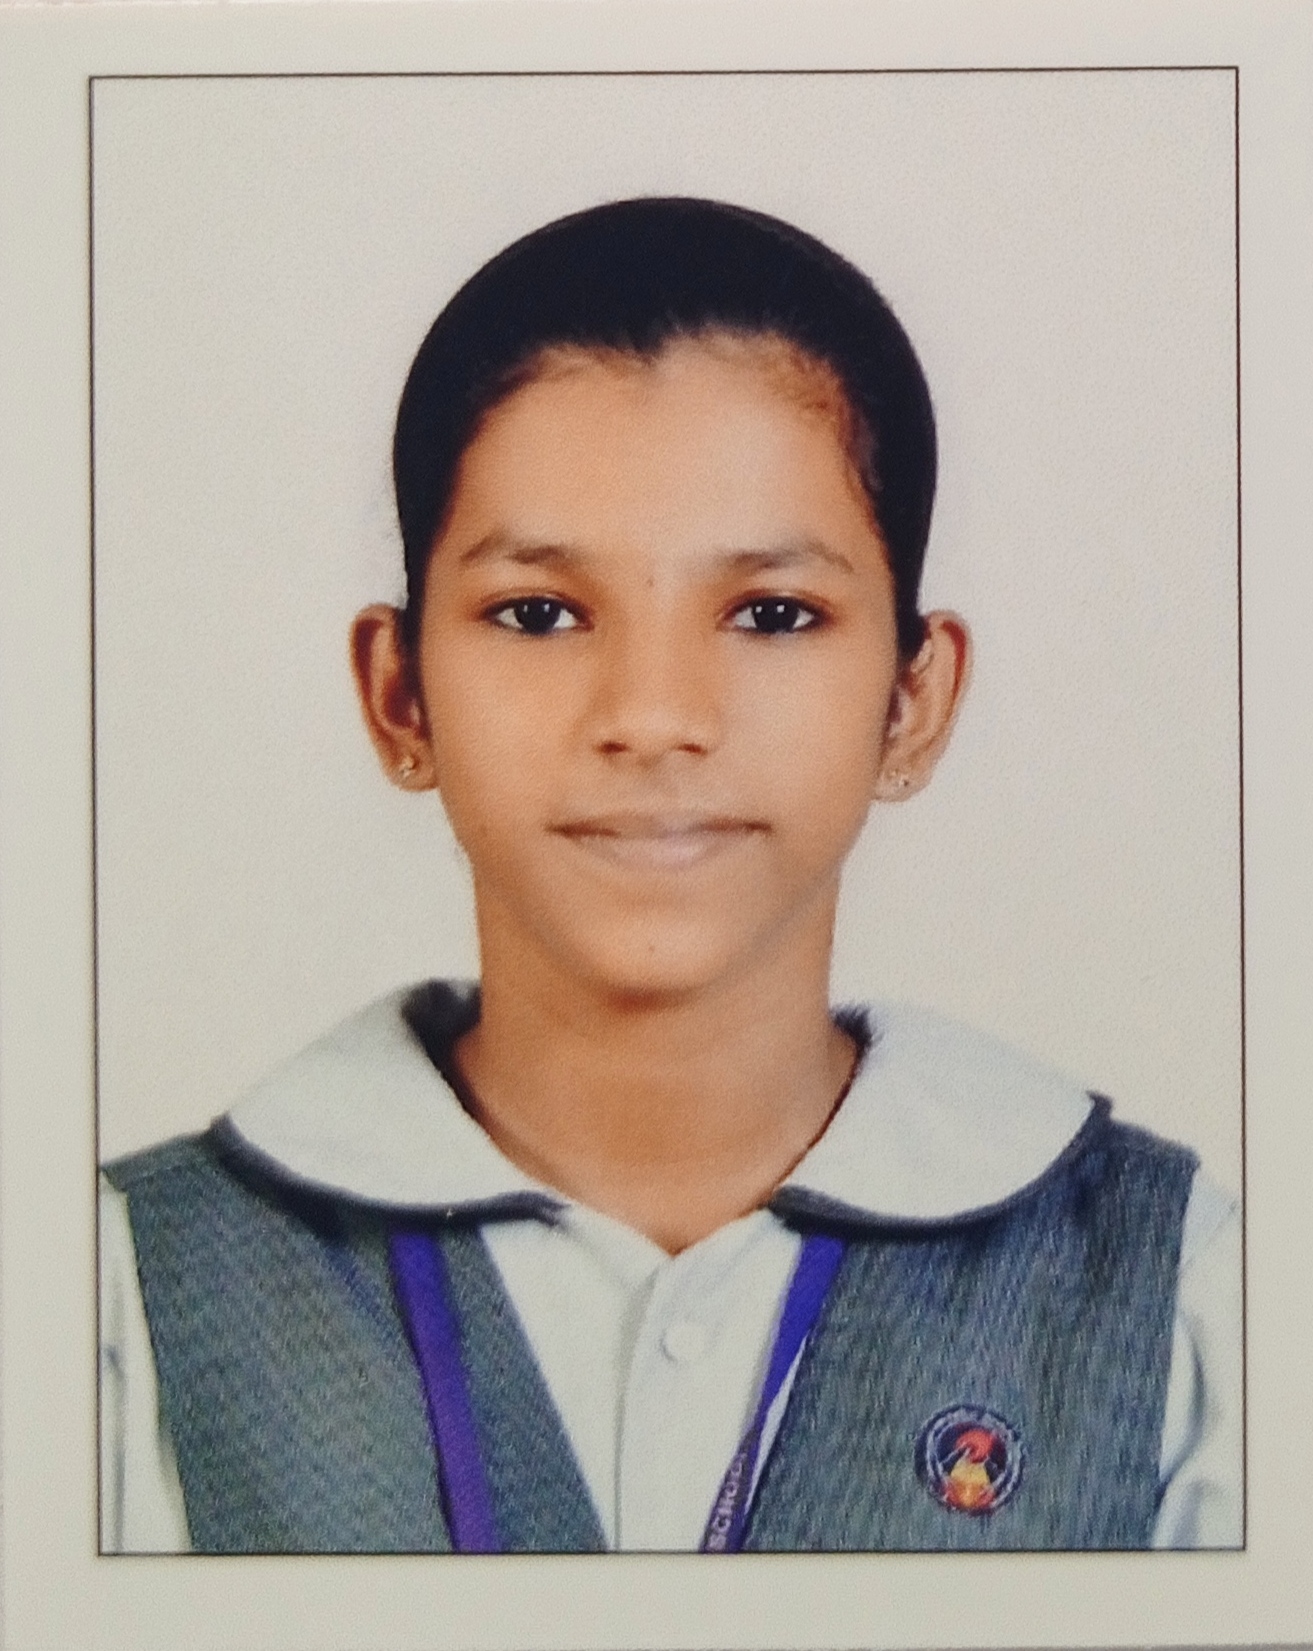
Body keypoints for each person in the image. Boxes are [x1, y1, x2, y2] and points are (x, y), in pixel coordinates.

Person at [99, 197, 1240, 1554]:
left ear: (913, 699)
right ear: (401, 694)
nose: (652, 716)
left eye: (772, 613)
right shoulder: (119, 1298)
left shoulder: (1187, 1293)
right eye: (538, 613)